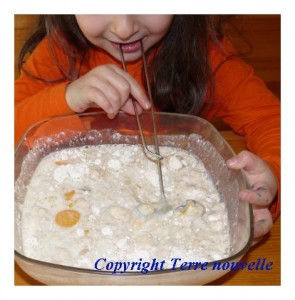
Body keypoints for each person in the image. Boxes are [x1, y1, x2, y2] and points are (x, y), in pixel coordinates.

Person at [15, 15, 280, 243]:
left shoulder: (205, 54)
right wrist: (67, 98)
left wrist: (273, 177)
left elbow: (271, 121)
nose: (124, 28)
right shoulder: (59, 51)